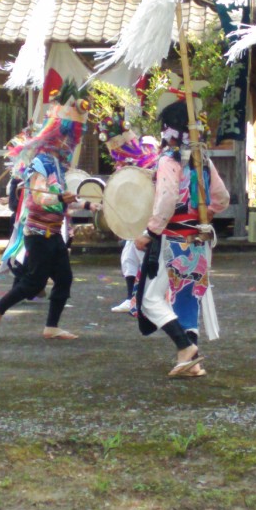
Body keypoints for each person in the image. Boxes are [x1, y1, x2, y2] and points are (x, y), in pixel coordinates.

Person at [0, 85, 97, 340]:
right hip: (38, 234)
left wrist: (88, 205)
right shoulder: (40, 163)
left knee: (64, 279)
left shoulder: (57, 165)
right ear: (57, 134)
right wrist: (61, 197)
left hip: (53, 233)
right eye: (68, 137)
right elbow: (38, 198)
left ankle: (51, 327)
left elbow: (63, 201)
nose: (71, 143)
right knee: (34, 283)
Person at [135, 99, 231, 376]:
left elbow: (166, 200)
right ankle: (192, 363)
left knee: (150, 301)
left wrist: (150, 231)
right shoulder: (203, 160)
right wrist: (206, 213)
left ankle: (185, 346)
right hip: (199, 240)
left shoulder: (170, 160)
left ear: (169, 129)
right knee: (188, 299)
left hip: (174, 239)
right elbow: (222, 198)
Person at [101, 117, 160, 311]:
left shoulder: (154, 163)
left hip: (150, 217)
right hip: (135, 217)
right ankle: (131, 298)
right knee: (128, 257)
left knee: (144, 257)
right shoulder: (126, 166)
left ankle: (149, 299)